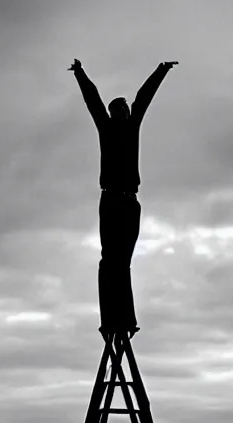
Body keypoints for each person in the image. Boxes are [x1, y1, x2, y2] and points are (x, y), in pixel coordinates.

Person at [69, 58, 178, 337]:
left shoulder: (133, 126)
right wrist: (80, 73)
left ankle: (125, 320)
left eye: (128, 108)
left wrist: (161, 70)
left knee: (122, 263)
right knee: (110, 262)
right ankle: (112, 321)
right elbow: (92, 100)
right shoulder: (107, 128)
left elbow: (144, 97)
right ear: (115, 112)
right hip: (112, 201)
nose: (128, 110)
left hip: (131, 202)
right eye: (123, 108)